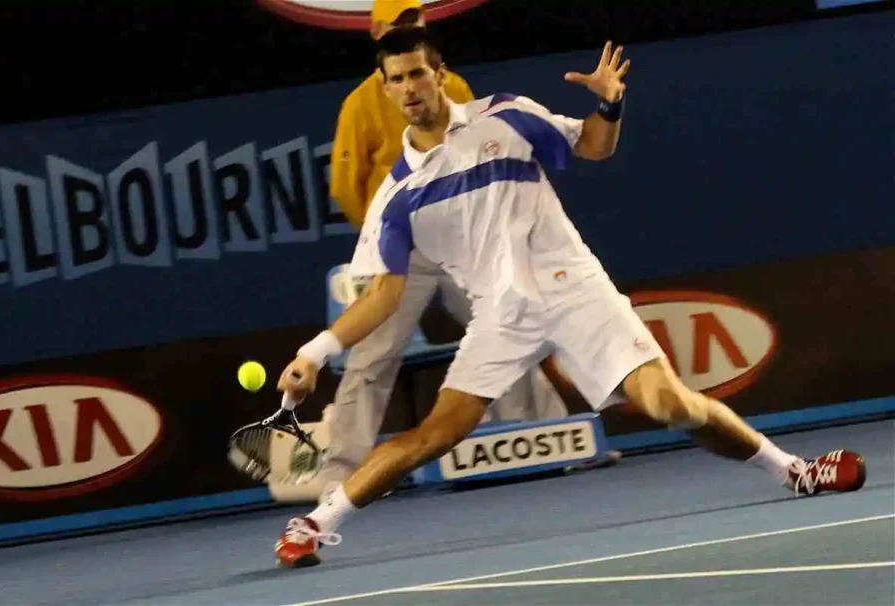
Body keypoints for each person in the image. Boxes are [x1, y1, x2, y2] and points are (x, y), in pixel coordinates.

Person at [273, 27, 868, 568]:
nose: (408, 87)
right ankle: (315, 523)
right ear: (384, 88)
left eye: (417, 73)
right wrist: (315, 353)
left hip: (574, 289)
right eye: (396, 78)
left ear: (440, 74)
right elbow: (383, 297)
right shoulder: (398, 196)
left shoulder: (507, 116)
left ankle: (794, 470)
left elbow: (593, 145)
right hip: (501, 314)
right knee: (434, 434)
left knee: (670, 405)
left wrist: (609, 102)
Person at [321, 0, 604, 497]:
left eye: (417, 20)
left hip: (461, 242)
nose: (412, 27)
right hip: (404, 251)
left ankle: (550, 438)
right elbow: (346, 186)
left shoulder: (453, 87)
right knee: (371, 359)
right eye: (401, 23)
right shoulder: (361, 104)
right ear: (377, 33)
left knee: (509, 323)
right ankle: (340, 474)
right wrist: (386, 237)